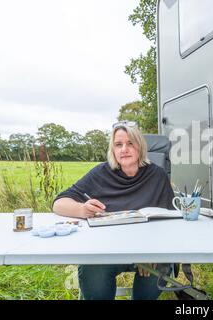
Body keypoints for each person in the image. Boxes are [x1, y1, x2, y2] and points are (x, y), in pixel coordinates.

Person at [52, 121, 174, 300]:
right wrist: (82, 209)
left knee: (160, 267)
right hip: (106, 250)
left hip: (147, 249)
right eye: (118, 144)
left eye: (130, 143)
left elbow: (171, 221)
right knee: (91, 269)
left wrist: (152, 251)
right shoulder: (100, 173)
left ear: (140, 146)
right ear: (113, 149)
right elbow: (58, 203)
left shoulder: (157, 175)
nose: (124, 149)